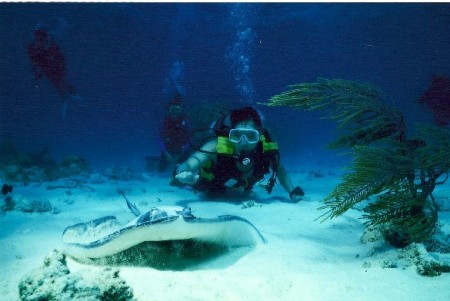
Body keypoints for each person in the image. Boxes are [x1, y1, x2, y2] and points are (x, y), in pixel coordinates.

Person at [173, 106, 305, 202]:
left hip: (242, 188)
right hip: (212, 185)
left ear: (259, 136)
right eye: (237, 135)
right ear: (229, 134)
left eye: (251, 136)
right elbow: (190, 162)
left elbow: (281, 172)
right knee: (210, 191)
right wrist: (182, 173)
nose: (244, 142)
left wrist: (292, 191)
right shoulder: (215, 146)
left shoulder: (266, 151)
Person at [158, 93, 191, 173]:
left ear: (181, 111)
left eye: (177, 110)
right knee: (161, 170)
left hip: (181, 150)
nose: (175, 113)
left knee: (183, 169)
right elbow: (159, 139)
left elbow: (190, 139)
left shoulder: (186, 122)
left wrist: (182, 151)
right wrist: (165, 153)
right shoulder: (165, 122)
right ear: (169, 111)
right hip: (168, 149)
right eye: (173, 110)